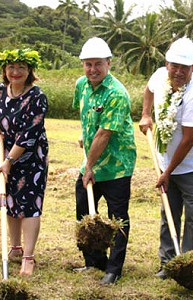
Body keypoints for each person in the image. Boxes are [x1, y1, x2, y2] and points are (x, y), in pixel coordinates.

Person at [139, 37, 193, 279]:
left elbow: (188, 140)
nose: (178, 72)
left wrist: (167, 172)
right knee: (168, 213)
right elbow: (148, 90)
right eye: (174, 66)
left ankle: (191, 266)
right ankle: (168, 263)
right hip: (166, 161)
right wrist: (146, 115)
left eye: (185, 67)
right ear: (167, 63)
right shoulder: (160, 76)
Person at [72, 37, 136, 285]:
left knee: (117, 217)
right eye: (88, 64)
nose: (93, 69)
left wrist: (88, 166)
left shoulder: (117, 93)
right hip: (92, 159)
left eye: (98, 64)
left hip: (117, 164)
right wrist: (83, 135)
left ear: (109, 63)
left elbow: (104, 133)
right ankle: (94, 260)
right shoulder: (81, 85)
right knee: (84, 210)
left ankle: (114, 268)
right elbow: (87, 118)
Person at [0, 48, 48, 277]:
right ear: (4, 69)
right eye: (11, 67)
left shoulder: (37, 96)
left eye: (21, 67)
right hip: (4, 153)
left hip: (30, 156)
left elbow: (31, 132)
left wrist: (10, 160)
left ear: (30, 70)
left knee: (30, 204)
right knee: (9, 200)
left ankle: (28, 257)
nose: (15, 72)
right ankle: (15, 248)